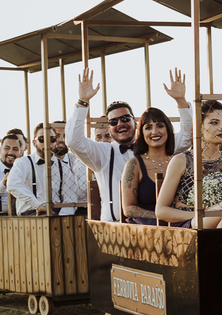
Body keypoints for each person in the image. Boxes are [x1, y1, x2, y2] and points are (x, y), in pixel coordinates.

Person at [66, 65, 193, 222]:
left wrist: (181, 101)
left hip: (169, 226)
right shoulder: (102, 153)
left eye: (125, 119)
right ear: (109, 127)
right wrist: (83, 102)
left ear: (135, 121)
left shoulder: (158, 145)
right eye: (114, 121)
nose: (120, 123)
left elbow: (187, 136)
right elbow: (73, 141)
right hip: (116, 229)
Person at [156, 100, 222, 229]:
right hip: (188, 225)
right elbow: (161, 211)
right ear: (200, 126)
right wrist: (201, 215)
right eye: (214, 123)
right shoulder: (181, 160)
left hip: (220, 226)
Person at [120, 107, 179, 226]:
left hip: (180, 222)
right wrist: (160, 216)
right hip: (147, 227)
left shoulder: (179, 161)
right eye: (148, 128)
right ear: (141, 133)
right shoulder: (134, 165)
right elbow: (128, 209)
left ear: (168, 129)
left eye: (160, 126)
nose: (154, 132)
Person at [7, 123, 80, 216]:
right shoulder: (23, 163)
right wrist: (38, 205)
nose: (47, 143)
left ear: (56, 141)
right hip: (30, 213)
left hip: (57, 214)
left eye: (52, 139)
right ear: (34, 143)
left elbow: (71, 198)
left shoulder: (63, 167)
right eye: (42, 139)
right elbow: (13, 185)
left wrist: (63, 218)